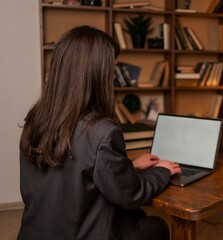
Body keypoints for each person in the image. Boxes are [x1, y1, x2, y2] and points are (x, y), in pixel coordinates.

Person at [18, 25, 182, 240]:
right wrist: (162, 171)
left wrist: (131, 165)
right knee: (155, 225)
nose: (113, 78)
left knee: (132, 216)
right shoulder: (101, 132)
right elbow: (132, 194)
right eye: (111, 71)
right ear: (95, 75)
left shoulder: (36, 119)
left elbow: (73, 175)